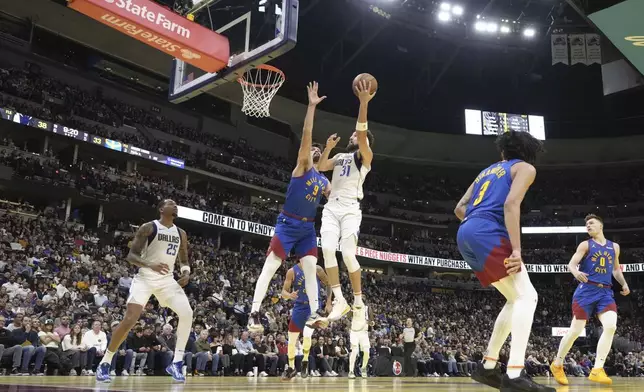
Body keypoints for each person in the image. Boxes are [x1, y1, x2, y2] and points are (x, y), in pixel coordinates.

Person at [454, 130, 553, 392]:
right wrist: (517, 250)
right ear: (530, 151)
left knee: (514, 298)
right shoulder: (525, 168)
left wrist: (475, 226)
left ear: (502, 152)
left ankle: (487, 367)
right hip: (487, 232)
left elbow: (459, 207)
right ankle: (515, 373)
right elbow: (511, 205)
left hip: (465, 232)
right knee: (528, 297)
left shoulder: (485, 172)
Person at [248, 82, 330, 333]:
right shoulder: (302, 167)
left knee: (311, 268)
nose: (314, 149)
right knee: (270, 266)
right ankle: (253, 312)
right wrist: (311, 107)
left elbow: (336, 194)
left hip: (307, 228)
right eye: (313, 148)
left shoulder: (324, 180)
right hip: (288, 223)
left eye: (318, 148)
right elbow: (306, 133)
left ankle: (314, 313)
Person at [96, 199, 193, 383]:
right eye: (170, 203)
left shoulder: (181, 233)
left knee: (187, 313)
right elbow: (131, 256)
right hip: (145, 278)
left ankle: (177, 362)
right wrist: (151, 264)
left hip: (167, 281)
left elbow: (184, 259)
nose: (175, 205)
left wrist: (186, 273)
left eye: (176, 204)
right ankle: (105, 362)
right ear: (161, 208)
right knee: (130, 320)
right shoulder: (149, 227)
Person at [318, 80, 375, 321]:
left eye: (356, 136)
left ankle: (359, 300)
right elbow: (321, 167)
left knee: (349, 254)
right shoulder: (341, 155)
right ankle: (340, 300)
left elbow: (361, 132)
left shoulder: (365, 156)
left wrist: (363, 104)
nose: (352, 136)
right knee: (328, 249)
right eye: (352, 135)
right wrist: (328, 149)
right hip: (332, 207)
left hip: (351, 208)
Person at [550, 214, 630, 386]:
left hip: (605, 292)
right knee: (575, 331)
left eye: (591, 223)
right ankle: (557, 363)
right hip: (586, 290)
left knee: (611, 326)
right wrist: (576, 272)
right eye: (586, 224)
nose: (588, 225)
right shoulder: (585, 244)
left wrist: (624, 283)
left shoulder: (614, 247)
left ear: (601, 226)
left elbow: (615, 269)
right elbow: (571, 264)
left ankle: (597, 369)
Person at [280, 261, 333, 380]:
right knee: (292, 338)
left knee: (307, 334)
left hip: (313, 307)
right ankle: (291, 368)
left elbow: (329, 284)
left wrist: (328, 302)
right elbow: (283, 292)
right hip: (299, 307)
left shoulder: (317, 269)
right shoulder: (292, 271)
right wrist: (289, 295)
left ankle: (305, 361)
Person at [348, 305, 370, 379]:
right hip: (354, 332)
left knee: (367, 350)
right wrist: (352, 310)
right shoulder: (353, 306)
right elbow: (348, 316)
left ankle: (363, 368)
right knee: (355, 351)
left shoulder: (367, 308)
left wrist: (371, 323)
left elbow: (371, 320)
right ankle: (351, 371)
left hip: (364, 332)